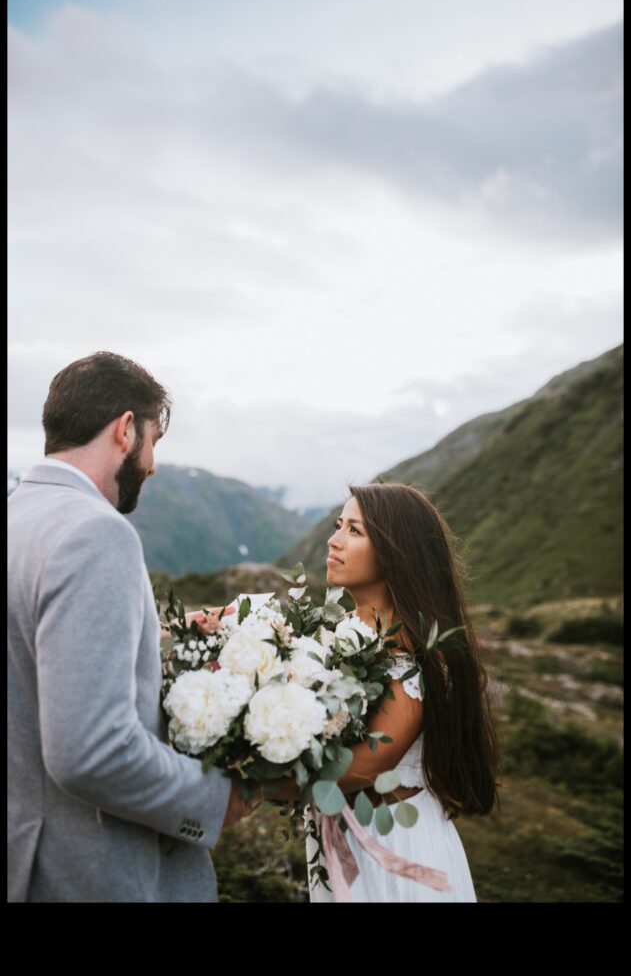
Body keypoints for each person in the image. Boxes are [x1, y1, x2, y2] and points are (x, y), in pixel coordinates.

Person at [8, 351, 251, 903]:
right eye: (153, 443)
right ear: (124, 430)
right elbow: (90, 751)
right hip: (95, 875)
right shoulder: (96, 534)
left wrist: (154, 634)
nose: (152, 465)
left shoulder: (16, 518)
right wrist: (214, 799)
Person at [268, 482, 500, 902]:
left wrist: (250, 783)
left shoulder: (411, 654)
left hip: (398, 846)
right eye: (338, 526)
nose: (334, 540)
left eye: (354, 531)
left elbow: (369, 765)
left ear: (396, 551)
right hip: (340, 839)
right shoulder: (339, 635)